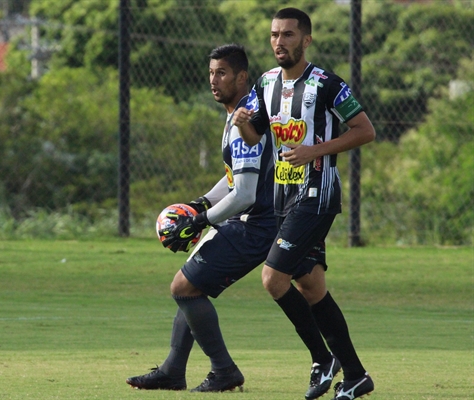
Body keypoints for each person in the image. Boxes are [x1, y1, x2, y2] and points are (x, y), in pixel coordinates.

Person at [232, 7, 375, 400]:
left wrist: (316, 150)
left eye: (288, 35)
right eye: (275, 35)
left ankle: (322, 358)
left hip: (317, 196)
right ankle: (357, 375)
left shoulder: (328, 84)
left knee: (272, 279)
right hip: (284, 196)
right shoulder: (265, 83)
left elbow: (365, 130)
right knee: (310, 286)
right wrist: (243, 119)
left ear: (306, 40)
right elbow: (254, 138)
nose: (280, 42)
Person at [126, 44, 277, 393]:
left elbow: (245, 194)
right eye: (211, 72)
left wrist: (202, 219)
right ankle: (173, 370)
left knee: (183, 287)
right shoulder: (239, 112)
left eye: (221, 73)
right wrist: (201, 203)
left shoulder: (245, 116)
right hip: (252, 219)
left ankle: (224, 370)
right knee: (191, 282)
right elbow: (233, 179)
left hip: (257, 224)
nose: (213, 79)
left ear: (241, 77)